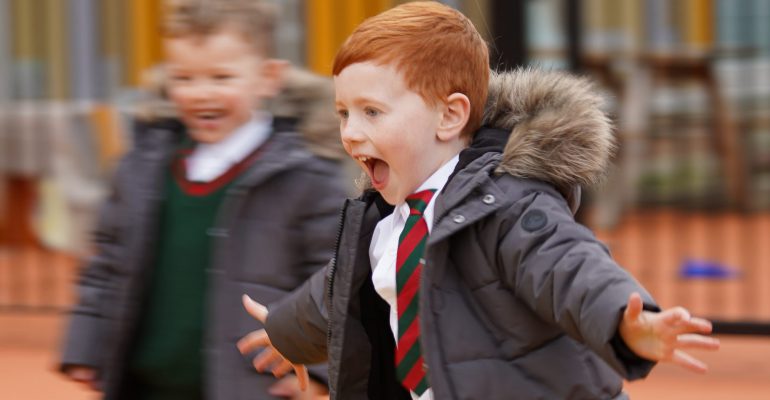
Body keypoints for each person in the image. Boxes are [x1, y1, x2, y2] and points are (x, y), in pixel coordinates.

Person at [236, 2, 721, 400]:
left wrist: (625, 321)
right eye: (343, 112)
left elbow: (568, 267)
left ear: (449, 116)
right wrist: (286, 332)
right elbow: (341, 293)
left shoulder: (507, 205)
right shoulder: (385, 222)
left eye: (371, 112)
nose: (350, 132)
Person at [59, 1, 346, 399]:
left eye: (221, 77)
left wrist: (316, 371)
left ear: (269, 77)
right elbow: (107, 259)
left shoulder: (307, 176)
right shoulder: (143, 165)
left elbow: (337, 281)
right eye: (184, 78)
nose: (201, 93)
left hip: (250, 385)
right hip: (144, 384)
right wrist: (86, 344)